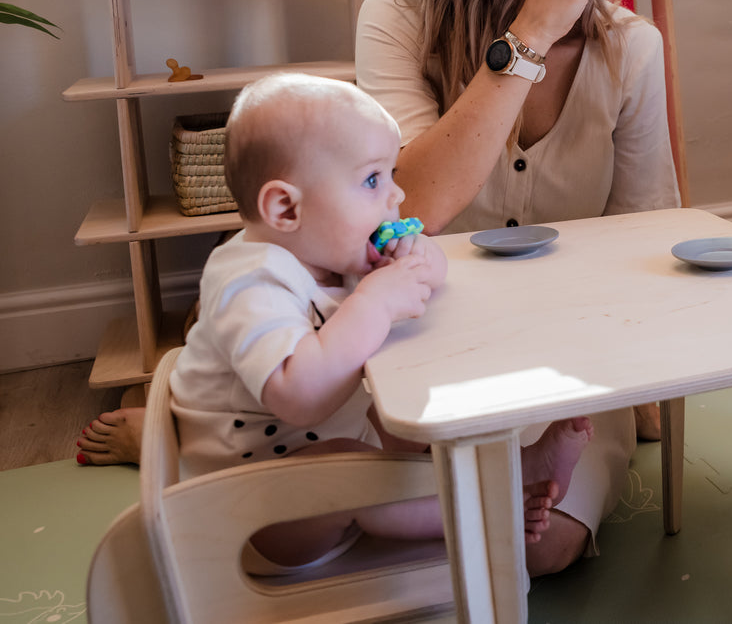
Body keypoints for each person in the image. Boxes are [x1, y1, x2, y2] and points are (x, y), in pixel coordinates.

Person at [354, 0, 681, 573]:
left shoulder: (630, 46)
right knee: (322, 505)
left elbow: (647, 239)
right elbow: (412, 207)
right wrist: (527, 37)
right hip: (426, 334)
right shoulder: (395, 18)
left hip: (575, 345)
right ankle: (170, 425)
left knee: (545, 546)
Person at [163, 72, 593, 574]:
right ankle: (486, 509)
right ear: (285, 207)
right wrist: (375, 303)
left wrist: (414, 259)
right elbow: (299, 396)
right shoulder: (250, 282)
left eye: (391, 175)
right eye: (372, 180)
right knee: (348, 461)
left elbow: (434, 274)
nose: (395, 197)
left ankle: (517, 471)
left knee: (411, 421)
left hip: (315, 481)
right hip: (248, 513)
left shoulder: (329, 251)